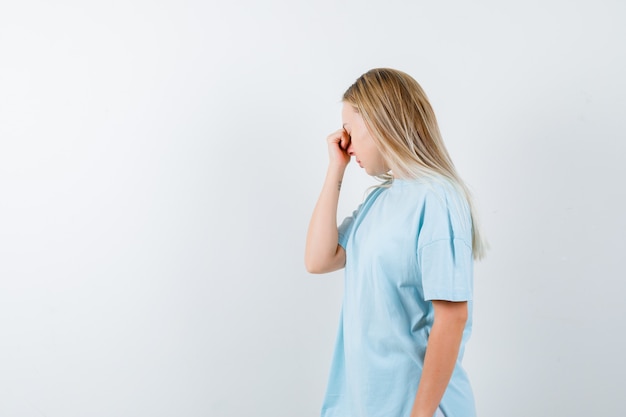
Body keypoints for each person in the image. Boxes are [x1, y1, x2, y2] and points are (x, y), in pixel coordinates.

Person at [305, 68, 487, 417]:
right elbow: (318, 259)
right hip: (362, 404)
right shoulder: (380, 201)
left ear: (381, 124)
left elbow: (452, 317)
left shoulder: (437, 198)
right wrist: (335, 169)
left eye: (350, 131)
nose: (346, 142)